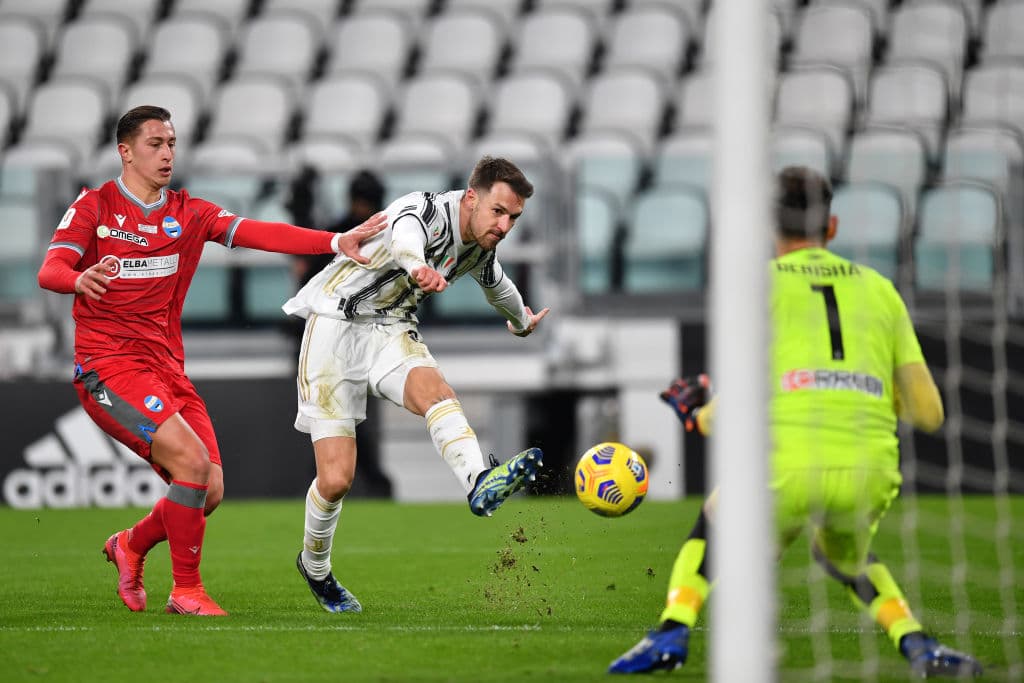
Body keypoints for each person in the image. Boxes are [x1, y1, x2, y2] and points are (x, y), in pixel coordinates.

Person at [608, 166, 982, 678]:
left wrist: (697, 414)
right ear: (831, 228)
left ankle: (672, 628)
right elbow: (930, 414)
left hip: (784, 468)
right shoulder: (880, 290)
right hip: (869, 469)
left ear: (768, 229)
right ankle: (917, 643)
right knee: (842, 553)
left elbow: (734, 414)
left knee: (716, 522)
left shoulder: (757, 287)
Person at [36, 105, 386, 616]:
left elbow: (258, 233)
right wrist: (78, 278)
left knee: (209, 490)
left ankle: (130, 544)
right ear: (125, 151)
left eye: (172, 143)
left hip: (166, 369)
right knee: (194, 465)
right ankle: (186, 592)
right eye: (155, 143)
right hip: (106, 367)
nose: (167, 153)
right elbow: (51, 268)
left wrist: (334, 241)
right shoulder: (95, 206)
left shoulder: (189, 212)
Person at [283, 155, 549, 612]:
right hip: (334, 325)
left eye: (514, 218)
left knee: (437, 393)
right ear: (471, 198)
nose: (505, 226)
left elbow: (497, 284)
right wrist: (416, 266)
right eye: (499, 212)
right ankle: (316, 566)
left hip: (390, 328)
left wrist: (521, 319)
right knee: (337, 479)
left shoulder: (480, 245)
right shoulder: (424, 208)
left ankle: (479, 481)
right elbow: (407, 237)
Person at [287, 169, 393, 498]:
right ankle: (356, 482)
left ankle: (341, 480)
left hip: (358, 338)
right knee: (333, 416)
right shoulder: (356, 234)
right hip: (331, 337)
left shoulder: (373, 232)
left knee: (345, 417)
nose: (363, 208)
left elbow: (306, 275)